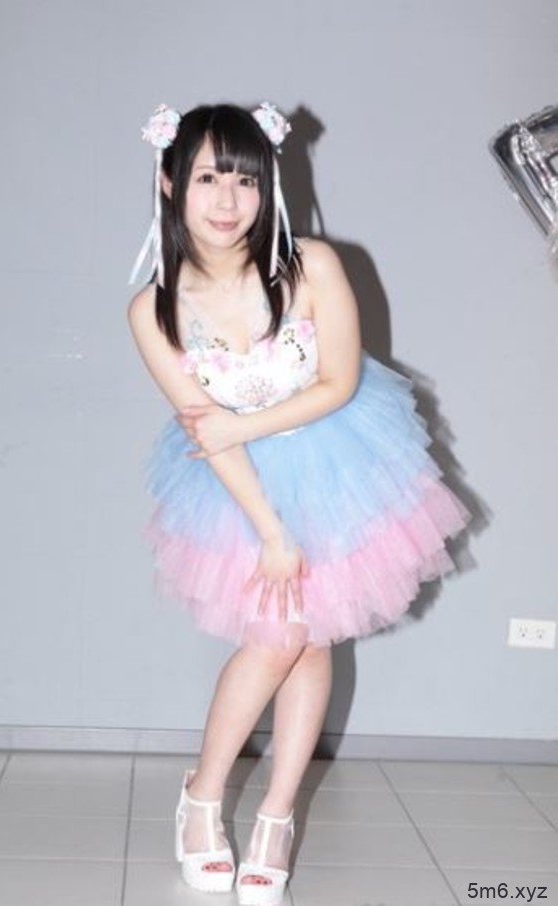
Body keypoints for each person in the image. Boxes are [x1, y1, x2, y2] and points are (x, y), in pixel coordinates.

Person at [127, 102, 469, 906]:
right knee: (279, 634)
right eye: (207, 178)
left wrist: (243, 422)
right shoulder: (154, 308)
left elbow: (339, 382)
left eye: (246, 180)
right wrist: (272, 531)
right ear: (170, 182)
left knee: (312, 640)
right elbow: (208, 436)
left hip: (341, 465)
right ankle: (202, 797)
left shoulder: (310, 265)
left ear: (268, 185)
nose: (227, 199)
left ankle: (276, 818)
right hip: (236, 486)